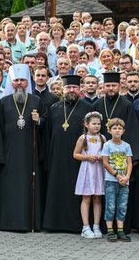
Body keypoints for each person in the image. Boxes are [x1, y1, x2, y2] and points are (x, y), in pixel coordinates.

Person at [0, 64, 44, 232]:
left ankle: (29, 223)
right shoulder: (4, 102)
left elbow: (46, 127)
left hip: (30, 155)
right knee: (9, 189)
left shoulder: (36, 101)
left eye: (22, 80)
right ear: (11, 83)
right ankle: (9, 223)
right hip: (9, 154)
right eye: (16, 81)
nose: (19, 83)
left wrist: (39, 120)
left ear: (28, 82)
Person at [42, 74, 92, 233]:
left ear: (80, 89)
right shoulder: (54, 108)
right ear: (63, 89)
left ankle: (77, 225)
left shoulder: (87, 109)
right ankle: (54, 224)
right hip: (57, 157)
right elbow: (47, 134)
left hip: (79, 159)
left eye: (74, 87)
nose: (71, 90)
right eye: (68, 87)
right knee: (56, 189)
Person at [73, 112, 105, 239]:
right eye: (94, 124)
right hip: (87, 169)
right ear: (87, 124)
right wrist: (87, 157)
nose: (96, 126)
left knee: (97, 198)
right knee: (86, 198)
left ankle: (96, 226)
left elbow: (105, 153)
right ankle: (85, 227)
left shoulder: (102, 138)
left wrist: (102, 157)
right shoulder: (83, 138)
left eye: (98, 124)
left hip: (98, 170)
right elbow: (75, 154)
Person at [101, 117, 133, 242]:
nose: (117, 131)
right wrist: (117, 175)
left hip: (125, 181)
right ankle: (110, 230)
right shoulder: (107, 145)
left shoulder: (127, 146)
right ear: (109, 130)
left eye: (120, 128)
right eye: (114, 128)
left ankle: (120, 230)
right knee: (110, 205)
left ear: (123, 131)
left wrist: (127, 177)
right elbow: (105, 163)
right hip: (111, 180)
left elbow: (129, 163)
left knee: (122, 205)